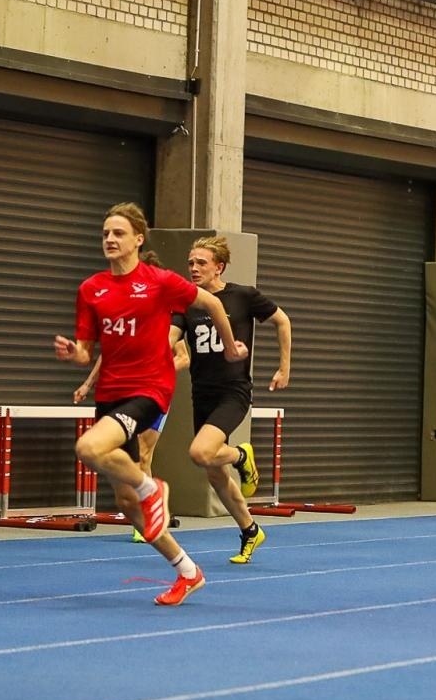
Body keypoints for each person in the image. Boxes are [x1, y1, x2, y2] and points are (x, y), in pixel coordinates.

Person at [54, 204, 247, 605]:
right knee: (127, 504)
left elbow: (211, 305)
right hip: (111, 392)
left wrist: (230, 349)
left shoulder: (160, 282)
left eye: (118, 233)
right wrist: (73, 353)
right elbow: (88, 352)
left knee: (89, 448)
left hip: (149, 388)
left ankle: (151, 485)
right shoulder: (91, 289)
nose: (110, 239)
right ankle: (188, 571)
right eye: (105, 232)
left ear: (138, 240)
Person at [174, 235, 292, 565]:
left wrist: (284, 368)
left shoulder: (242, 296)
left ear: (219, 267)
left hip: (234, 391)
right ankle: (251, 530)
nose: (193, 268)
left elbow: (283, 320)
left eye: (201, 263)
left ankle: (241, 455)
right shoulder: (187, 303)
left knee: (200, 452)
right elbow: (171, 336)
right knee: (214, 473)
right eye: (190, 262)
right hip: (203, 392)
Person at [71, 251, 189, 543]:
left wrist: (158, 369)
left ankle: (150, 501)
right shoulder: (125, 312)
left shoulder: (166, 315)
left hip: (152, 391)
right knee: (125, 456)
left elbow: (183, 358)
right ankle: (144, 503)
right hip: (122, 390)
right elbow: (106, 355)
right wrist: (87, 384)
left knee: (146, 453)